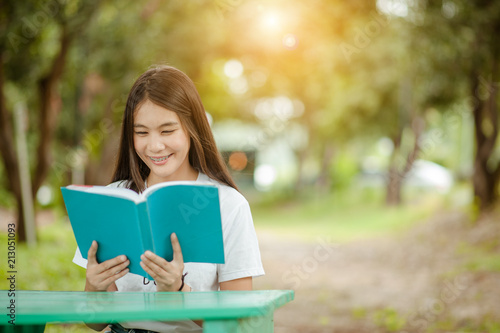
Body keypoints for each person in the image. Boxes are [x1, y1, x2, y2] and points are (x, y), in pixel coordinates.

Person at [72, 65, 265, 333]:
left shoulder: (228, 205)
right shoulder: (113, 199)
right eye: (141, 132)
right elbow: (95, 323)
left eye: (167, 131)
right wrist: (94, 287)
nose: (154, 146)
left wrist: (178, 291)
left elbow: (240, 324)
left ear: (191, 128)